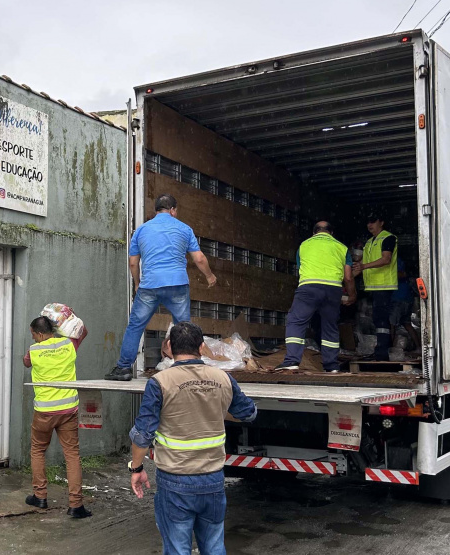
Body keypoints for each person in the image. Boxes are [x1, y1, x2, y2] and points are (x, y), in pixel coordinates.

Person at [129, 322, 257, 555]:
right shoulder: (223, 378)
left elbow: (143, 434)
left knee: (178, 549)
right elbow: (248, 413)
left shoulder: (159, 383)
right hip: (212, 479)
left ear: (169, 347)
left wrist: (136, 468)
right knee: (214, 547)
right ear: (201, 347)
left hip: (175, 480)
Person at [106, 194, 217, 381]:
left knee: (135, 326)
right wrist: (209, 275)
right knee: (184, 328)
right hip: (177, 284)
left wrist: (137, 283)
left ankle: (123, 368)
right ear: (173, 210)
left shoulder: (141, 230)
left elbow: (133, 263)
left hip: (150, 285)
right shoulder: (184, 229)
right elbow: (199, 258)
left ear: (156, 210)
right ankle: (187, 368)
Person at [23, 316, 92, 518]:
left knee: (38, 450)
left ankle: (40, 496)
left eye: (33, 334)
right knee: (72, 455)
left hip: (44, 412)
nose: (33, 338)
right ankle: (76, 505)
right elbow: (83, 331)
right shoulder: (69, 344)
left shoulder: (33, 351)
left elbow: (26, 363)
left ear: (40, 333)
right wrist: (66, 318)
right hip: (68, 410)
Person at [278, 222, 356, 373]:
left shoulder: (304, 245)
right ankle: (331, 366)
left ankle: (292, 361)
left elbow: (301, 269)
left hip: (309, 288)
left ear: (314, 233)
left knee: (296, 322)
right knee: (330, 326)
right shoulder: (341, 247)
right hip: (333, 290)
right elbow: (348, 276)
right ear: (331, 233)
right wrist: (352, 295)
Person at [353, 213, 398, 361]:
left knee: (381, 319)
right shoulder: (369, 242)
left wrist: (363, 266)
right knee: (378, 319)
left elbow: (386, 259)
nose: (369, 225)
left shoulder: (388, 238)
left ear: (382, 222)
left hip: (384, 285)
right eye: (368, 222)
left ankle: (382, 353)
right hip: (374, 287)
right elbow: (361, 263)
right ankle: (380, 351)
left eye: (373, 221)